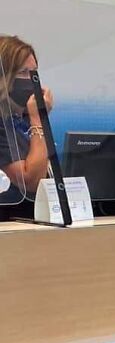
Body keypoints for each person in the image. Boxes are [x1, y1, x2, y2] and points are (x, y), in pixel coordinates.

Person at [0, 35, 53, 220]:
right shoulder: (4, 124)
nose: (31, 80)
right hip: (8, 223)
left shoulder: (22, 120)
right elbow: (30, 182)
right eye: (23, 72)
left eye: (34, 73)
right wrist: (39, 118)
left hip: (34, 220)